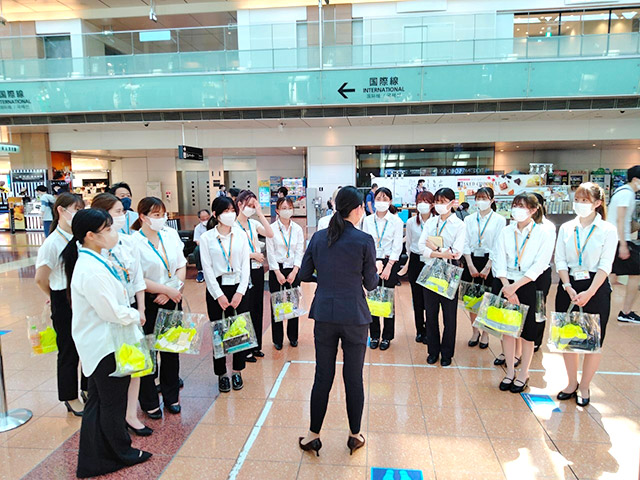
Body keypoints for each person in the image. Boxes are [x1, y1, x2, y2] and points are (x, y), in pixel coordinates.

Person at [61, 209, 152, 478]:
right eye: (108, 228)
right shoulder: (90, 269)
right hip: (105, 345)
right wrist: (137, 315)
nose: (114, 233)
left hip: (104, 342)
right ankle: (119, 453)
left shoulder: (96, 259)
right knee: (111, 403)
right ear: (90, 236)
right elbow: (110, 311)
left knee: (99, 402)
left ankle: (93, 460)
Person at [297, 186, 379, 456]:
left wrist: (328, 280)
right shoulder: (364, 240)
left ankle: (312, 435)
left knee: (323, 376)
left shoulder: (319, 238)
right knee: (353, 377)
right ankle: (355, 435)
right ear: (357, 209)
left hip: (325, 314)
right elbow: (371, 283)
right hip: (355, 316)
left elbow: (305, 273)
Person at [91, 193, 151, 436]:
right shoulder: (92, 248)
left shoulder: (128, 242)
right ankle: (114, 421)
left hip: (130, 311)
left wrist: (141, 308)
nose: (122, 217)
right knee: (111, 371)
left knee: (135, 364)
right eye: (117, 212)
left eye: (122, 212)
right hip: (106, 316)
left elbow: (137, 278)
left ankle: (130, 414)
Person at [555, 182, 617, 406]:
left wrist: (590, 292)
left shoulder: (607, 230)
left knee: (593, 341)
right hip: (568, 285)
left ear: (597, 204)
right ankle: (571, 383)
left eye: (585, 201)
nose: (580, 204)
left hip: (596, 287)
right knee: (568, 338)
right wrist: (567, 285)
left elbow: (605, 265)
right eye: (578, 200)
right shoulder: (566, 228)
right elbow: (560, 259)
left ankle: (585, 385)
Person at [492, 193, 555, 393]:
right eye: (516, 205)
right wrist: (506, 286)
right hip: (505, 283)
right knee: (507, 331)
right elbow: (499, 259)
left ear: (534, 210)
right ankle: (510, 370)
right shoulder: (505, 231)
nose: (518, 209)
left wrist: (516, 286)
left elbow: (540, 264)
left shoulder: (543, 233)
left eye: (523, 206)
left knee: (528, 333)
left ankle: (524, 372)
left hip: (529, 284)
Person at [131, 197, 187, 418]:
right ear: (142, 217)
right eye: (155, 215)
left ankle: (171, 396)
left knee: (172, 351)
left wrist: (174, 290)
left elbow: (182, 264)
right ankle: (149, 402)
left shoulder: (170, 235)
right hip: (150, 302)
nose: (161, 219)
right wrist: (164, 290)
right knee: (149, 353)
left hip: (173, 299)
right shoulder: (134, 242)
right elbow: (137, 278)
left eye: (162, 214)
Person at [34, 192, 87, 416]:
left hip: (83, 298)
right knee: (68, 351)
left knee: (87, 346)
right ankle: (70, 396)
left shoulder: (80, 236)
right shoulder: (52, 243)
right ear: (61, 211)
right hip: (63, 300)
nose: (77, 214)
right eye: (75, 209)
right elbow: (40, 278)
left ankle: (87, 388)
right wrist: (56, 297)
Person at [200, 196, 251, 392]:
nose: (230, 214)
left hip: (238, 286)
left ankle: (237, 371)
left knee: (239, 330)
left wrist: (240, 291)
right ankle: (221, 373)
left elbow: (245, 266)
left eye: (232, 211)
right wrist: (218, 295)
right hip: (217, 288)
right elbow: (207, 268)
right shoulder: (207, 238)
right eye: (226, 211)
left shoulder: (241, 235)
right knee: (219, 332)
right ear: (216, 214)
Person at [419, 188, 465, 366]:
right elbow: (421, 247)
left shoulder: (459, 225)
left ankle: (447, 353)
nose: (439, 205)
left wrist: (436, 250)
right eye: (437, 202)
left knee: (449, 316)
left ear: (452, 203)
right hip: (430, 271)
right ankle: (433, 351)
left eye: (443, 201)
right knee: (430, 314)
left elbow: (456, 253)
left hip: (450, 273)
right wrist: (441, 253)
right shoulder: (431, 222)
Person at [462, 187, 506, 349]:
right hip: (471, 259)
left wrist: (488, 267)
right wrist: (470, 264)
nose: (481, 201)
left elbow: (498, 245)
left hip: (490, 261)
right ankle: (475, 331)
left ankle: (486, 333)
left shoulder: (499, 220)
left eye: (485, 198)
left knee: (488, 300)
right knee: (471, 299)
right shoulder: (469, 219)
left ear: (492, 200)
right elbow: (464, 242)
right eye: (478, 197)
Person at [361, 187, 403, 350]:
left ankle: (387, 336)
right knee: (372, 299)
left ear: (390, 201)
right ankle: (374, 334)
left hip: (389, 262)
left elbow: (397, 246)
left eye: (385, 199)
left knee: (387, 299)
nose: (381, 202)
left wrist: (389, 267)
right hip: (371, 263)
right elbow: (364, 242)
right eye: (379, 198)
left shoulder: (396, 221)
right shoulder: (368, 220)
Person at [235, 190, 274, 362]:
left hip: (257, 269)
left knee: (258, 307)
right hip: (243, 270)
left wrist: (259, 212)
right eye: (249, 205)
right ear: (239, 205)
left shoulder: (252, 223)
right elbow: (233, 252)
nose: (251, 209)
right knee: (245, 309)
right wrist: (252, 255)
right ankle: (244, 349)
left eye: (253, 206)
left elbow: (270, 233)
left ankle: (256, 345)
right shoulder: (233, 226)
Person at [266, 196, 305, 350]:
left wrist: (295, 271)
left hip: (293, 270)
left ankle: (293, 337)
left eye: (289, 207)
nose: (287, 210)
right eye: (283, 208)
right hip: (277, 270)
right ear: (277, 210)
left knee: (293, 304)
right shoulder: (272, 229)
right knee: (277, 305)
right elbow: (270, 253)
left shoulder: (297, 229)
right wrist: (277, 272)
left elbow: (299, 251)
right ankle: (277, 339)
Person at [397, 191, 434, 343]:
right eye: (420, 201)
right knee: (417, 298)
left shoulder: (436, 221)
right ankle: (420, 330)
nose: (422, 205)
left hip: (432, 261)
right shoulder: (412, 222)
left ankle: (431, 330)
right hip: (416, 261)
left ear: (432, 204)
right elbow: (409, 244)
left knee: (430, 298)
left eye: (426, 201)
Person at [608, 165, 640, 323]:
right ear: (635, 179)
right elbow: (620, 220)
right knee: (635, 272)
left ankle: (625, 311)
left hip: (617, 239)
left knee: (609, 273)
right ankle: (626, 312)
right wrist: (622, 244)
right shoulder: (626, 194)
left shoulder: (621, 192)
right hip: (619, 239)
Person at [532, 192, 556, 351]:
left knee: (538, 307)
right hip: (521, 274)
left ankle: (536, 340)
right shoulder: (518, 225)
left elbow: (544, 256)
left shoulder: (547, 227)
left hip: (540, 274)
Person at [193, 209, 211, 283]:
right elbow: (197, 241)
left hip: (215, 244)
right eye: (203, 219)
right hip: (203, 245)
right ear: (199, 219)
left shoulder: (215, 225)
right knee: (197, 250)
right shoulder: (198, 228)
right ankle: (201, 271)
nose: (205, 220)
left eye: (207, 218)